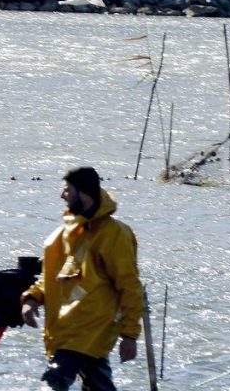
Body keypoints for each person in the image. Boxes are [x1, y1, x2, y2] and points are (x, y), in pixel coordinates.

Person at [21, 166, 144, 391]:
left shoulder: (114, 233)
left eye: (67, 190)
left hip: (89, 330)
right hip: (66, 331)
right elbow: (53, 277)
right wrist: (32, 299)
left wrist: (130, 335)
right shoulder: (67, 232)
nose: (62, 195)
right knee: (98, 385)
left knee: (53, 381)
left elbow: (130, 286)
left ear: (84, 193)